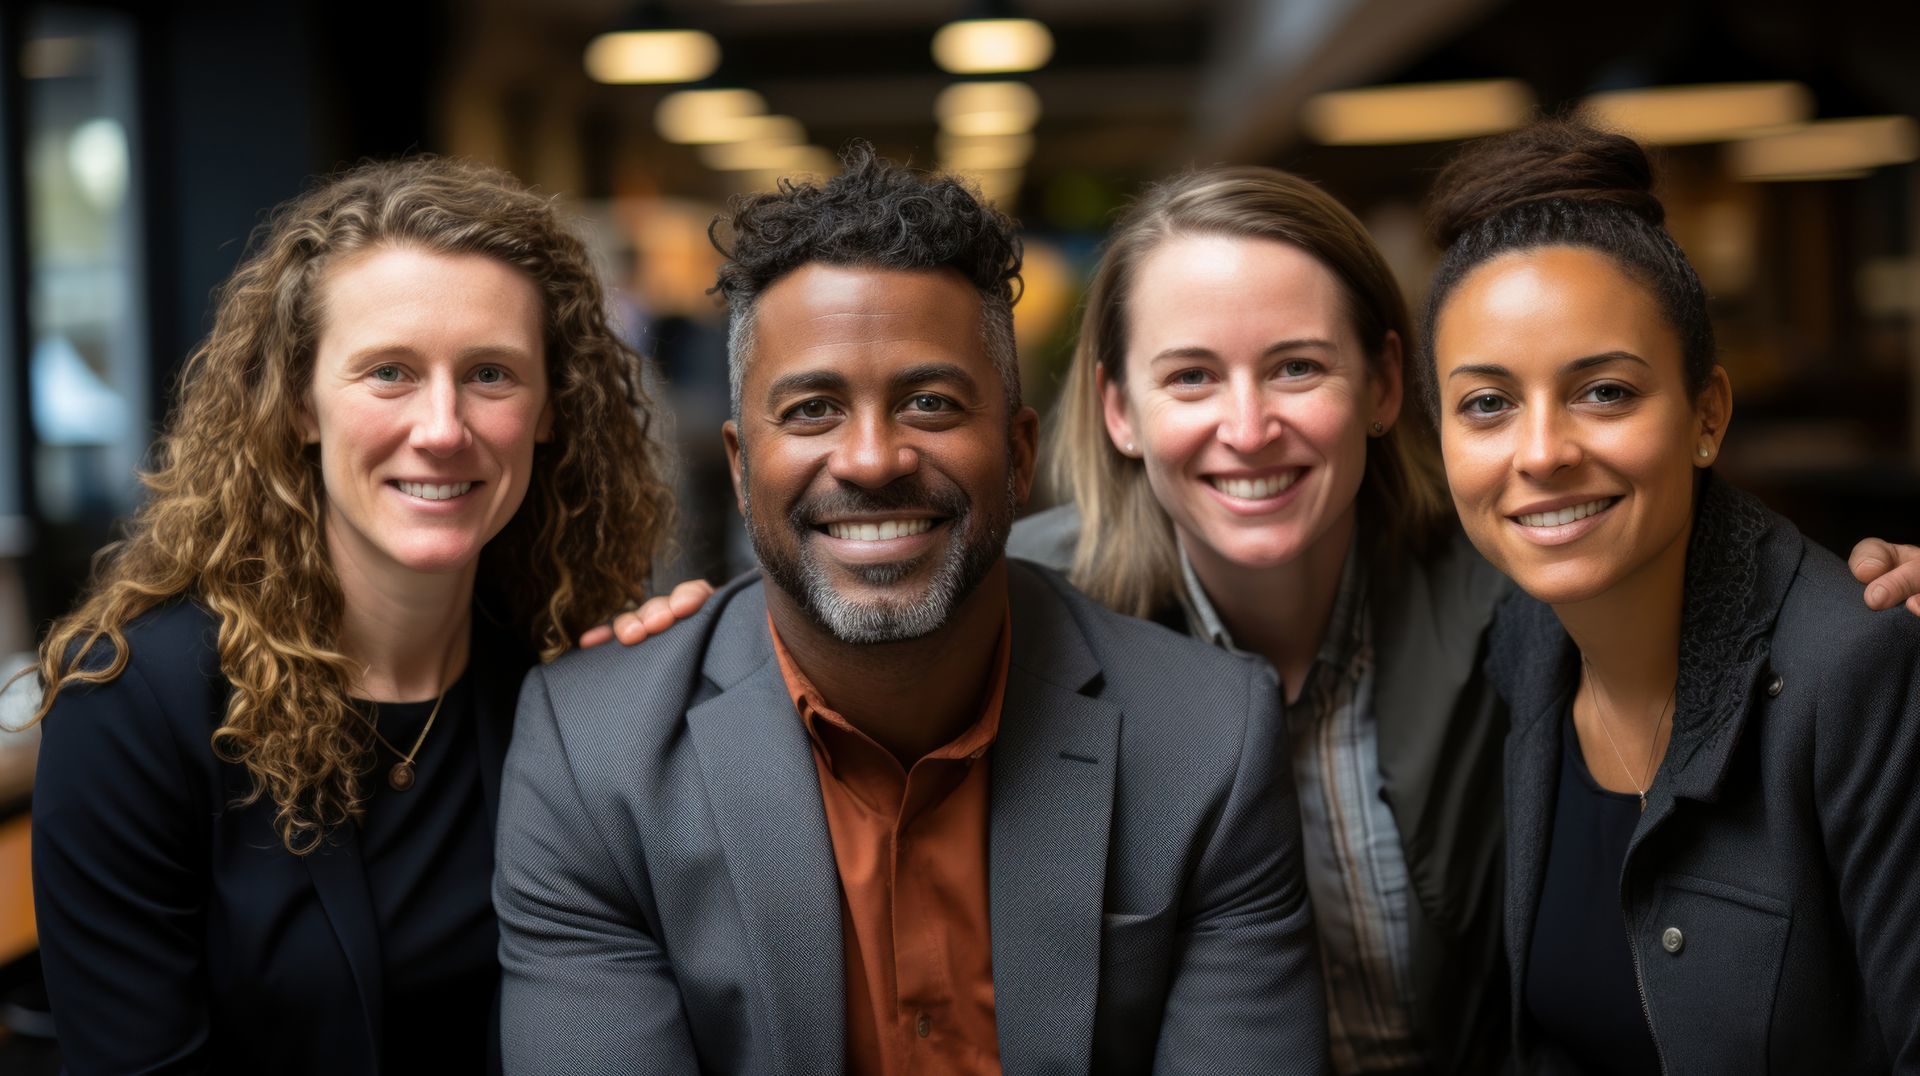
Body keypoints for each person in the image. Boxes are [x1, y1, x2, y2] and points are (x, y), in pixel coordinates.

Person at [492, 145, 1328, 1075]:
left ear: (1018, 455)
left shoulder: (1211, 737)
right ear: (738, 467)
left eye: (929, 402)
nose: (871, 459)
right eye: (811, 410)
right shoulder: (595, 755)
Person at [26, 156, 677, 1074]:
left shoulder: (570, 676)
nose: (443, 427)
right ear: (299, 403)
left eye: (491, 373)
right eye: (390, 373)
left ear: (547, 412)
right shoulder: (133, 701)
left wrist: (691, 665)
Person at [1421, 118, 1920, 1072]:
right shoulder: (1522, 644)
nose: (1541, 452)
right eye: (1486, 403)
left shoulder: (1860, 669)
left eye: (1604, 392)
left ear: (1707, 414)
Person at [1008, 166, 1512, 1073]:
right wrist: (677, 632)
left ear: (1385, 382)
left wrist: (1858, 589)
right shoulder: (1016, 622)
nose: (1248, 428)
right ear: (1120, 409)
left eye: (1296, 367)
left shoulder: (1516, 587)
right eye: (1192, 377)